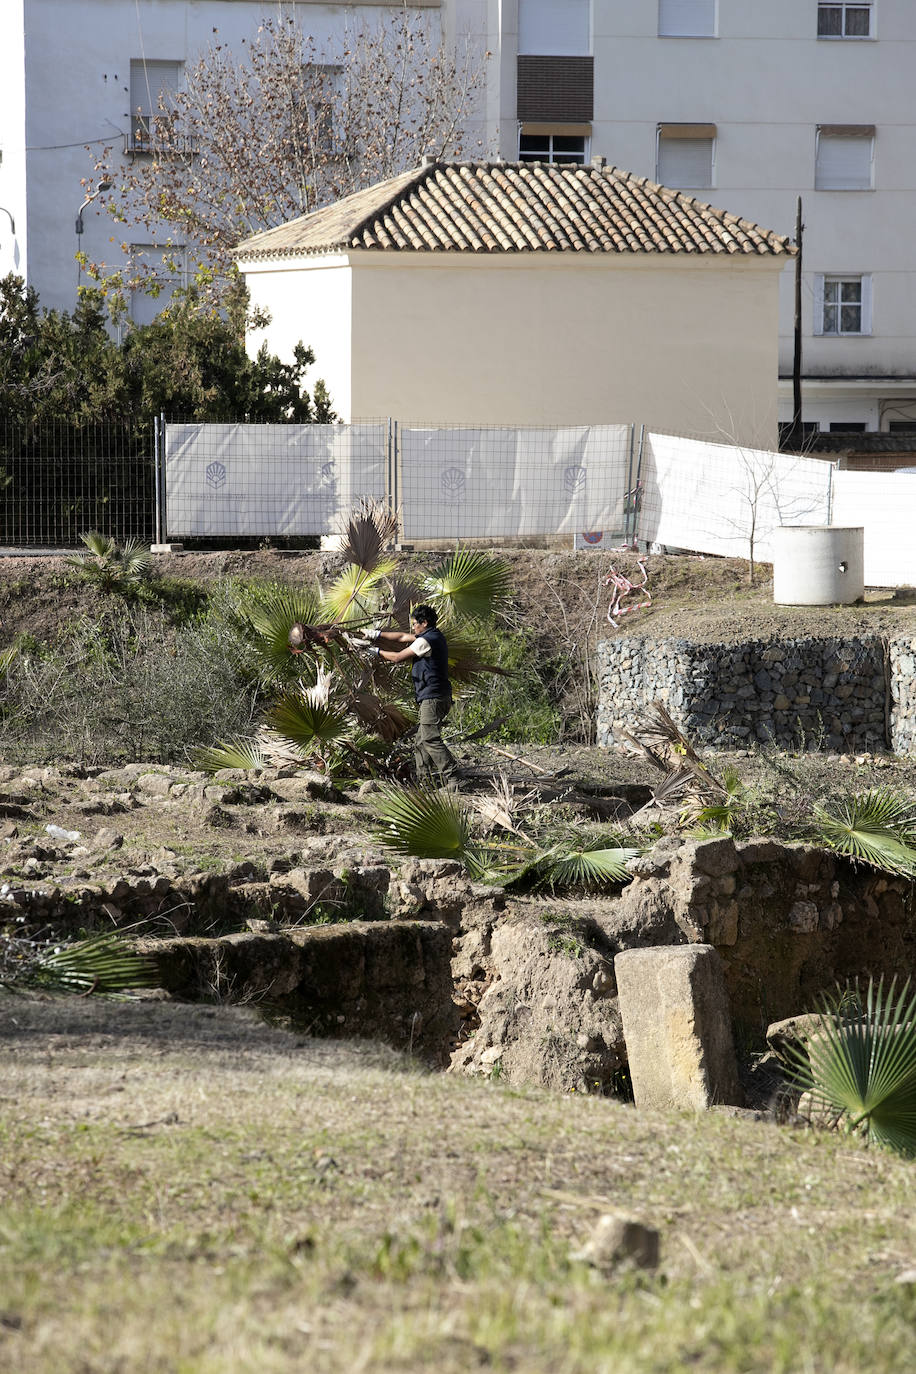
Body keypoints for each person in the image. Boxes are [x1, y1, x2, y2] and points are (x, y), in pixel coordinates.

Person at [364, 604, 460, 788]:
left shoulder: (427, 641)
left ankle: (455, 777)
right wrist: (375, 634)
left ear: (424, 623)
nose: (413, 627)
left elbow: (398, 657)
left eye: (415, 624)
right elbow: (402, 637)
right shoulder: (432, 635)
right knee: (420, 741)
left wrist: (375, 652)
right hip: (435, 695)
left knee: (430, 739)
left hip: (433, 697)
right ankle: (424, 781)